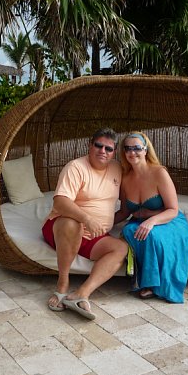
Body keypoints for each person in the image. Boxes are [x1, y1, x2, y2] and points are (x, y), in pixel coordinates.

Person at [42, 128, 128, 320]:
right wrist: (87, 219)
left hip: (94, 236)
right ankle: (62, 284)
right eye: (98, 145)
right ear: (90, 145)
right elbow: (60, 202)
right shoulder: (76, 167)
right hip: (62, 229)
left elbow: (129, 196)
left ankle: (81, 294)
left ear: (114, 152)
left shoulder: (117, 168)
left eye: (108, 148)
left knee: (121, 248)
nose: (103, 151)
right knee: (73, 224)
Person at [114, 132, 188, 303]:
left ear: (145, 150)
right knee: (130, 230)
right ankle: (145, 280)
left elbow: (173, 209)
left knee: (149, 234)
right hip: (140, 221)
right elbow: (124, 212)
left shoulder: (159, 173)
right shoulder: (125, 179)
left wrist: (151, 221)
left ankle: (152, 284)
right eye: (128, 148)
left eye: (137, 148)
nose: (132, 152)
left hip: (168, 220)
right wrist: (99, 224)